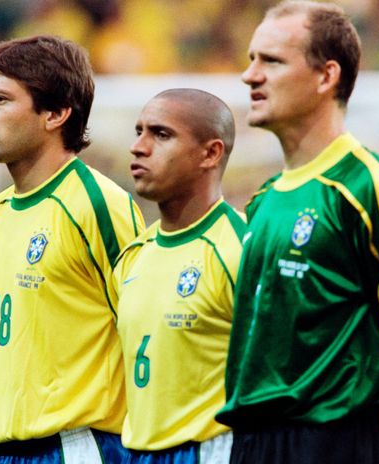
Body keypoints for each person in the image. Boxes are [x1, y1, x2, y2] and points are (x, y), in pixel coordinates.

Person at [214, 2, 379, 463]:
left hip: (333, 442)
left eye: (271, 61)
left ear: (326, 76)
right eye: (250, 59)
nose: (250, 76)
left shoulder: (369, 184)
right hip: (252, 444)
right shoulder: (265, 198)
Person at [0, 35, 144, 463]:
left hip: (73, 447)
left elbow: (144, 330)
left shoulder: (97, 206)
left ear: (56, 113)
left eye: (0, 99)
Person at [112, 89, 243, 463]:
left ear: (211, 153)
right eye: (139, 131)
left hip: (210, 451)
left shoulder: (239, 249)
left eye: (161, 134)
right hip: (136, 451)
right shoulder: (133, 256)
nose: (139, 146)